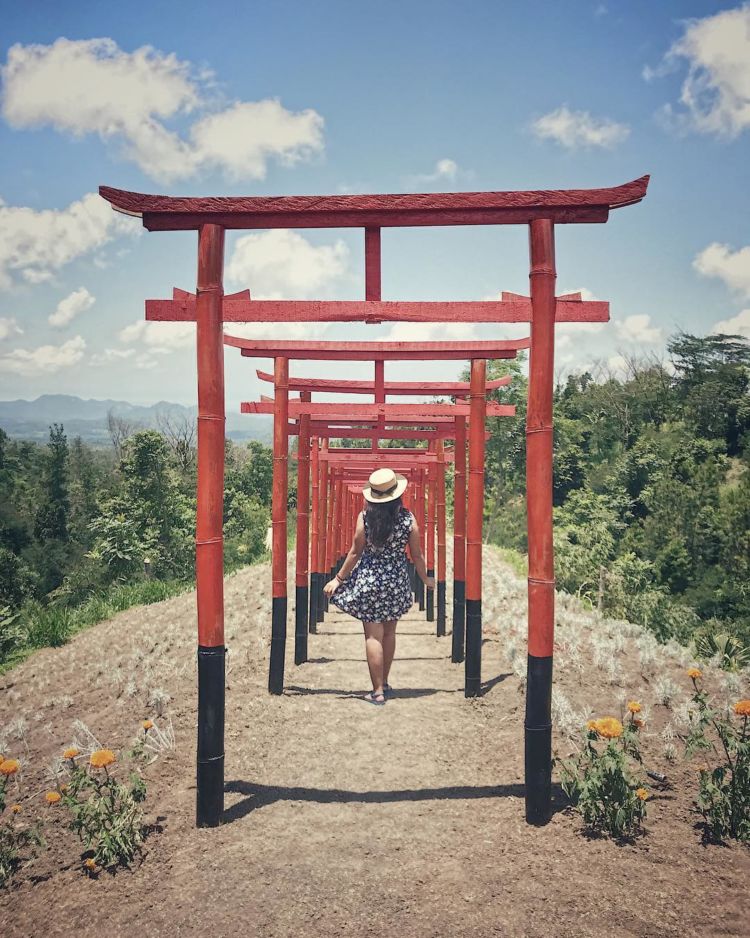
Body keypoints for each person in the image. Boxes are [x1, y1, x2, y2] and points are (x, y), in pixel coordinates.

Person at [323, 467, 435, 706]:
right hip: (396, 582)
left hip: (370, 580)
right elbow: (416, 554)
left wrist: (338, 579)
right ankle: (384, 683)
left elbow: (355, 552)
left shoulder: (365, 518)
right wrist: (425, 579)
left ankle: (377, 691)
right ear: (397, 494)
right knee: (390, 633)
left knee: (373, 637)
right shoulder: (408, 519)